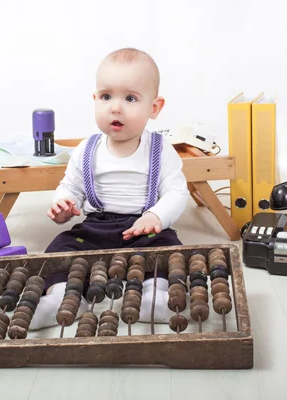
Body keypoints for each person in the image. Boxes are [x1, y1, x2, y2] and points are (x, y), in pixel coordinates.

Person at [29, 47, 190, 330]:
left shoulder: (160, 149)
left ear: (154, 107)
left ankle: (155, 294)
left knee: (169, 250)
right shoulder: (87, 149)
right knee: (60, 248)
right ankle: (63, 297)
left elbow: (177, 193)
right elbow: (71, 186)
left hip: (145, 230)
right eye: (106, 97)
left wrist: (156, 217)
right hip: (96, 230)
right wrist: (64, 204)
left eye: (130, 98)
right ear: (95, 99)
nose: (115, 107)